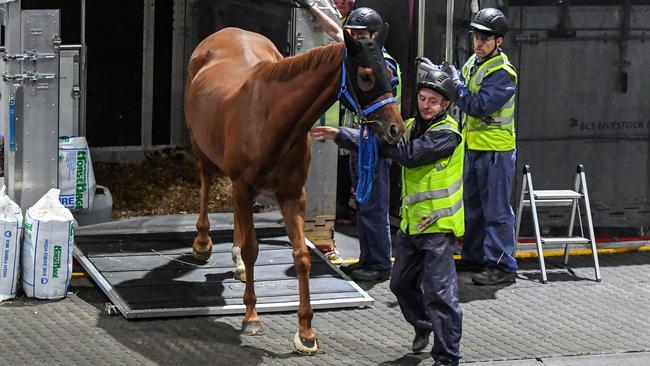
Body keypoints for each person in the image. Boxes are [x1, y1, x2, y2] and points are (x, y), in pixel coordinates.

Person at [312, 70, 463, 366]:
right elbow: (377, 142)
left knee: (440, 294)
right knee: (400, 286)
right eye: (422, 98)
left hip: (439, 230)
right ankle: (424, 325)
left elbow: (409, 155)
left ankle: (447, 357)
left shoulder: (448, 134)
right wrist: (340, 134)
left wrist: (378, 136)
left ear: (445, 105)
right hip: (411, 228)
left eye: (433, 101)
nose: (426, 105)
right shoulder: (409, 126)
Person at [294, 2, 402, 282]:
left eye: (360, 34)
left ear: (374, 35)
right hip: (362, 138)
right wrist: (313, 7)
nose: (353, 38)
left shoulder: (381, 63)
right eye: (353, 33)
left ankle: (379, 264)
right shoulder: (360, 52)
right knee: (364, 205)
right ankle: (368, 258)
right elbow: (336, 32)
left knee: (374, 207)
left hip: (375, 140)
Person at [443, 8, 518, 286]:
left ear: (499, 41)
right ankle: (473, 257)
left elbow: (477, 105)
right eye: (476, 37)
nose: (478, 43)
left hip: (495, 151)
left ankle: (502, 266)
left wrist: (454, 85)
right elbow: (462, 92)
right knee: (472, 208)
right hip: (472, 147)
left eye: (485, 38)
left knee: (496, 211)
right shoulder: (474, 63)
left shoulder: (502, 73)